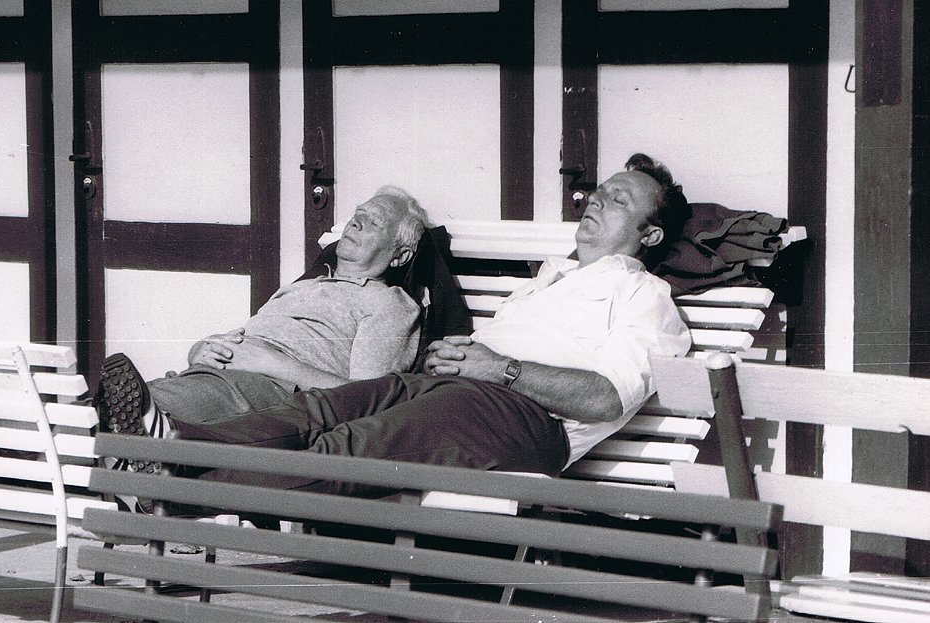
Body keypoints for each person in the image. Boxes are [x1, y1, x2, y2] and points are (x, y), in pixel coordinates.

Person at [100, 153, 693, 499]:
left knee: (355, 444)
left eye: (618, 200)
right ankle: (171, 452)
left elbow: (606, 398)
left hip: (524, 422)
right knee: (316, 413)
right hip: (450, 390)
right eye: (598, 193)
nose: (595, 201)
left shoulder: (646, 297)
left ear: (651, 234)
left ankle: (173, 480)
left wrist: (502, 370)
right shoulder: (546, 281)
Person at [93, 185, 428, 464]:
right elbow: (252, 338)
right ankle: (131, 450)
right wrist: (202, 349)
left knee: (128, 410)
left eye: (373, 223)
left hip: (273, 392)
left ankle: (134, 446)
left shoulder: (390, 303)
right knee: (124, 406)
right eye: (358, 214)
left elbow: (368, 401)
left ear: (399, 256)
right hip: (210, 377)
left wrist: (272, 363)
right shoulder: (302, 287)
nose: (356, 222)